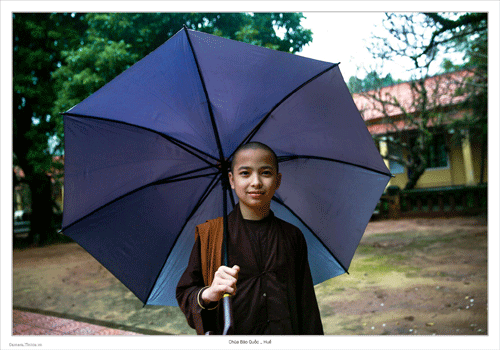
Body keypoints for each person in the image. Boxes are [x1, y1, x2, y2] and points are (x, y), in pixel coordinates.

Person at [176, 142, 324, 335]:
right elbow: (185, 293)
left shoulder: (292, 236)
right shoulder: (211, 235)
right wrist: (209, 293)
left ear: (278, 180)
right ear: (231, 179)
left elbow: (307, 306)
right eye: (245, 173)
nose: (256, 182)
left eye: (266, 173)